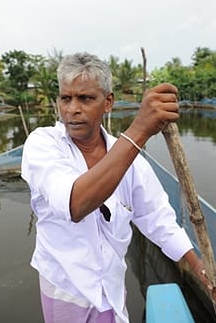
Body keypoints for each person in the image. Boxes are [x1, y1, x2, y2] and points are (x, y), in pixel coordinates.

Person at [21, 52, 213, 323]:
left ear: (108, 102)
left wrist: (199, 267)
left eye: (86, 98)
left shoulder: (132, 163)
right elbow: (75, 203)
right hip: (65, 290)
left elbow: (158, 219)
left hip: (111, 287)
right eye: (66, 98)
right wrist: (140, 130)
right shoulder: (43, 144)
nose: (72, 109)